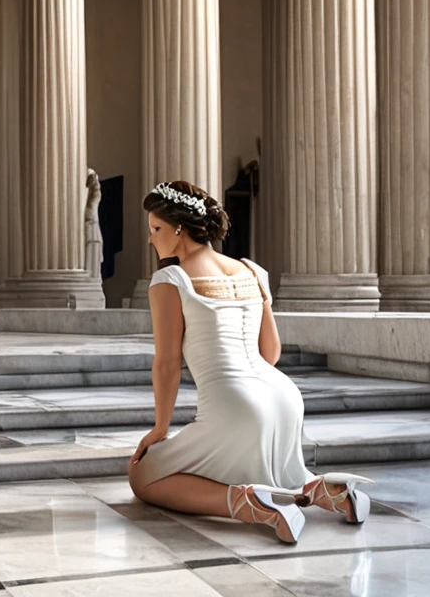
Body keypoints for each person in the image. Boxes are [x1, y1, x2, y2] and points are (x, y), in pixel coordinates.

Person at [127, 180, 371, 544]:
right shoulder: (251, 271)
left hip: (235, 404)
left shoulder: (170, 279)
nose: (152, 239)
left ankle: (248, 504)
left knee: (143, 477)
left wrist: (160, 429)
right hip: (284, 397)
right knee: (257, 462)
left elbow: (167, 363)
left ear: (178, 228)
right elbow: (271, 351)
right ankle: (326, 493)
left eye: (156, 229)